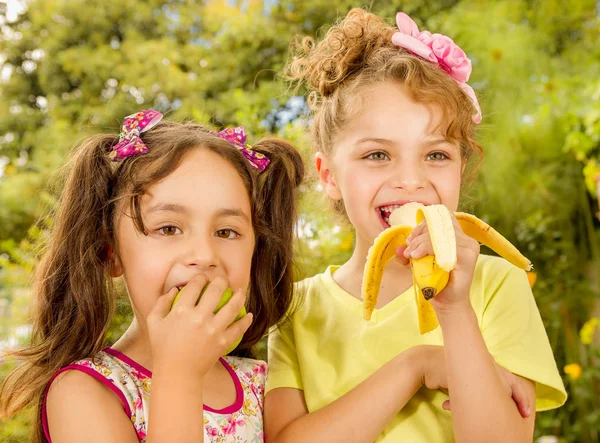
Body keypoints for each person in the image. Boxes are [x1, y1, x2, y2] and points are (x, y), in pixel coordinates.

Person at [265, 9, 566, 442]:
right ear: (329, 175)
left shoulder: (497, 284)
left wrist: (454, 308)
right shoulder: (296, 309)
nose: (410, 180)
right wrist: (416, 365)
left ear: (461, 169)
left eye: (436, 155)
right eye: (377, 155)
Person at [0, 110, 304, 442]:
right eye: (169, 228)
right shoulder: (83, 391)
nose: (204, 256)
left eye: (227, 232)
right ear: (110, 252)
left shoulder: (268, 383)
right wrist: (180, 374)